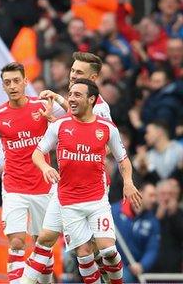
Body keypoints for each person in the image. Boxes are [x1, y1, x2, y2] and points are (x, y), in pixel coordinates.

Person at [23, 79, 142, 284]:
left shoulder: (106, 128)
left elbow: (123, 159)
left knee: (109, 251)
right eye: (70, 94)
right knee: (84, 254)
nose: (72, 99)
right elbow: (37, 153)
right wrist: (46, 167)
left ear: (91, 99)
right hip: (69, 201)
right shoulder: (60, 125)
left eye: (77, 95)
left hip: (96, 200)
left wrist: (128, 182)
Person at [0, 62, 65, 283]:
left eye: (17, 81)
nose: (13, 86)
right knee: (16, 242)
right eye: (7, 82)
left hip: (43, 186)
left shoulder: (43, 106)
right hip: (14, 187)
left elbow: (77, 116)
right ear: (3, 86)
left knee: (41, 244)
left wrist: (56, 110)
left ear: (26, 81)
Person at [111, 182, 160, 282]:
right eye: (151, 195)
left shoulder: (152, 221)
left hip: (134, 268)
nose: (154, 200)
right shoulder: (113, 212)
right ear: (140, 193)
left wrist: (142, 265)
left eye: (155, 196)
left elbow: (152, 249)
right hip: (111, 264)